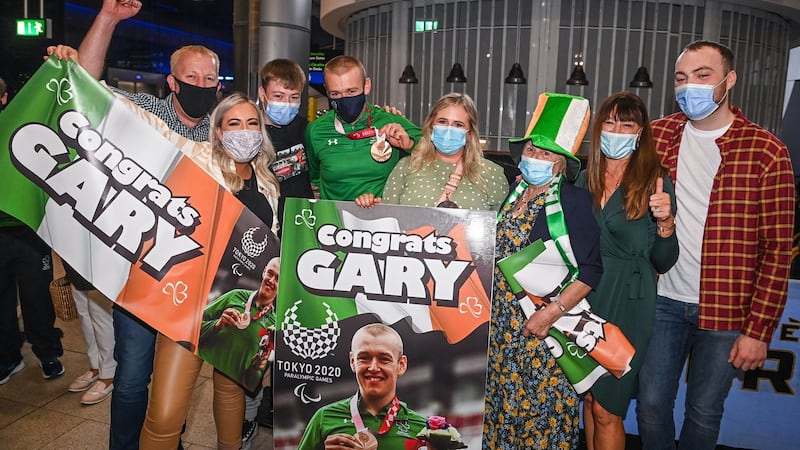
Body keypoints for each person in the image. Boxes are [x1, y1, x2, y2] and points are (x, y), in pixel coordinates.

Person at [48, 1, 222, 446]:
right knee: (131, 379)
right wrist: (106, 18)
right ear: (172, 82)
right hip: (139, 273)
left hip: (191, 281)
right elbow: (87, 88)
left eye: (209, 79)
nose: (201, 86)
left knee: (174, 383)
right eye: (192, 78)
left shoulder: (222, 133)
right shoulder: (145, 112)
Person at [635, 40, 794, 450]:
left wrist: (758, 331)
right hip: (662, 300)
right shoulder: (658, 135)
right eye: (682, 78)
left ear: (729, 80)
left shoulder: (767, 151)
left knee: (704, 413)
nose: (691, 87)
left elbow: (777, 251)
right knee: (651, 407)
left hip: (725, 310)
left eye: (703, 76)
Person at [138, 93, 279, 450]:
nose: (245, 132)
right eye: (234, 123)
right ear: (217, 131)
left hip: (241, 306)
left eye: (252, 124)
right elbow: (146, 126)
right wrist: (82, 78)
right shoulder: (198, 158)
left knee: (231, 395)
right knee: (165, 415)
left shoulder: (268, 185)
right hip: (190, 303)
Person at [483, 132, 602, 449]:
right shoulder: (512, 195)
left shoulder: (574, 202)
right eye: (532, 150)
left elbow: (590, 272)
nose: (536, 157)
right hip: (502, 330)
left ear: (562, 165)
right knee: (501, 409)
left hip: (545, 329)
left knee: (541, 413)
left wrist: (549, 315)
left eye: (547, 154)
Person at [574, 92, 679, 450]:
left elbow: (664, 261)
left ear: (640, 133)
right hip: (585, 299)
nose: (616, 131)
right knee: (589, 398)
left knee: (608, 407)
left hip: (630, 302)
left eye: (627, 125)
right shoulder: (584, 179)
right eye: (609, 123)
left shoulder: (655, 181)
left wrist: (666, 223)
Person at [355, 93, 508, 210]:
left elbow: (496, 232)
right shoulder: (407, 167)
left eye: (458, 124)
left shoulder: (491, 174)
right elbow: (389, 220)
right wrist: (370, 207)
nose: (449, 130)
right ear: (431, 126)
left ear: (469, 134)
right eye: (442, 122)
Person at [305, 55, 422, 201]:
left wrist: (409, 144)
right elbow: (314, 177)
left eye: (351, 91)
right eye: (335, 93)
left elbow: (432, 148)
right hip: (333, 220)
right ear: (327, 91)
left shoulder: (390, 120)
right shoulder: (315, 131)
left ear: (366, 86)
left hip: (381, 218)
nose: (344, 99)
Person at [298, 323, 427, 450]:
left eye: (384, 359)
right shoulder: (324, 418)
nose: (373, 367)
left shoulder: (423, 430)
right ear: (353, 361)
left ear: (401, 365)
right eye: (364, 358)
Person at [198, 256, 279, 392]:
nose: (271, 281)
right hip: (200, 358)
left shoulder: (274, 324)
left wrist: (255, 368)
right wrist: (218, 324)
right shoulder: (236, 295)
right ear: (264, 272)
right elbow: (193, 324)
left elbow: (251, 381)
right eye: (270, 273)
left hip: (231, 382)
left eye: (278, 279)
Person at [62, 260, 117, 406]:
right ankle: (96, 365)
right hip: (71, 245)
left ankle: (109, 372)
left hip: (98, 244)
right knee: (82, 307)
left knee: (98, 306)